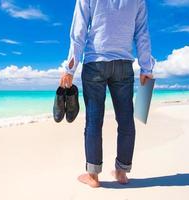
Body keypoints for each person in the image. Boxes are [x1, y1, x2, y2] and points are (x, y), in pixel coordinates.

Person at [59, 0, 155, 188]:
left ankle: (93, 176)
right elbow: (142, 33)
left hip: (95, 63)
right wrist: (146, 68)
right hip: (124, 65)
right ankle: (122, 173)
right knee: (126, 120)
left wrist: (69, 68)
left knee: (94, 121)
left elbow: (79, 31)